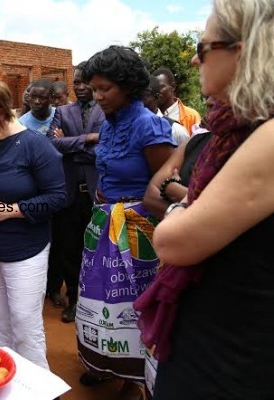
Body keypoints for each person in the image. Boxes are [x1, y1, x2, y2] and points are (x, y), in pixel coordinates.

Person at [134, 1, 274, 399]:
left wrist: (180, 206)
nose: (195, 61)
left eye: (203, 47)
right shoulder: (229, 133)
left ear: (243, 53)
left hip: (234, 352)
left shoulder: (267, 137)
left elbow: (173, 242)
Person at [74, 46, 174, 396]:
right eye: (94, 88)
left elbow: (162, 188)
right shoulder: (110, 122)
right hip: (105, 224)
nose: (97, 96)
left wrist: (128, 209)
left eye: (105, 89)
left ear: (128, 86)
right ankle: (106, 363)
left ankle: (135, 376)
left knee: (135, 304)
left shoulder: (148, 125)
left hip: (138, 233)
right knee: (103, 299)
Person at [0, 79, 66, 368]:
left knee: (25, 324)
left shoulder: (34, 145)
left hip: (25, 250)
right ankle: (8, 381)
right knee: (1, 322)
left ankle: (40, 389)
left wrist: (10, 210)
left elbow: (57, 197)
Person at [48, 62, 105, 322]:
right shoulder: (62, 111)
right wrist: (88, 139)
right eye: (76, 83)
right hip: (69, 193)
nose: (80, 87)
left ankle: (97, 301)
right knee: (70, 250)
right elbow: (53, 143)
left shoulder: (105, 110)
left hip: (97, 194)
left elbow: (105, 147)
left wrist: (71, 144)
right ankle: (74, 300)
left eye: (84, 82)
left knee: (97, 250)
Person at [152, 67, 201, 136]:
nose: (157, 92)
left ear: (173, 86)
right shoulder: (150, 115)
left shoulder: (191, 116)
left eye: (161, 87)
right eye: (155, 88)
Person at [143, 76, 190, 146]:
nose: (139, 103)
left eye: (144, 98)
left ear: (157, 97)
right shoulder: (129, 126)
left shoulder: (176, 131)